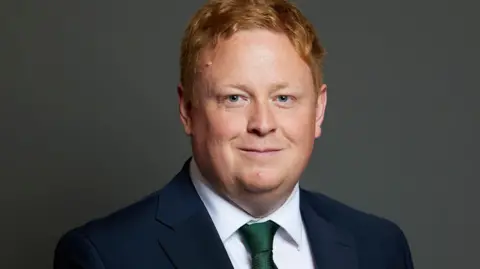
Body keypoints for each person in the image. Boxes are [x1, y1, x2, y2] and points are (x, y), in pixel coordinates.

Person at [54, 0, 414, 268]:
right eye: (235, 98)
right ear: (188, 110)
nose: (262, 123)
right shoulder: (104, 257)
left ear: (318, 111)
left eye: (284, 98)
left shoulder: (379, 248)